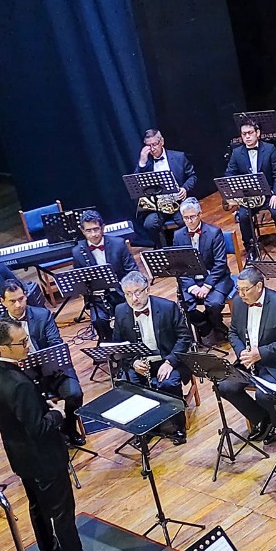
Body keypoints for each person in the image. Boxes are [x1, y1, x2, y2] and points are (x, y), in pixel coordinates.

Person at [0, 317, 113, 551]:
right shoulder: (18, 383)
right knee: (62, 511)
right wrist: (58, 413)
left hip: (20, 456)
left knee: (38, 508)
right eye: (22, 342)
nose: (28, 346)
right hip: (44, 457)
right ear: (4, 349)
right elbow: (39, 428)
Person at [0, 279, 86, 446]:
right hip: (22, 377)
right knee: (32, 404)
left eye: (21, 298)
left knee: (75, 393)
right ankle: (47, 437)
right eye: (12, 301)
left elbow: (56, 344)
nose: (18, 305)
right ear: (3, 302)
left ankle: (69, 428)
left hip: (52, 370)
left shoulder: (42, 314)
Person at [221, 266, 276, 445]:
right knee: (224, 386)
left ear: (259, 287)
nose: (240, 294)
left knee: (264, 394)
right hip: (249, 359)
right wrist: (241, 351)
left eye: (245, 289)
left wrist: (260, 353)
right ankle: (262, 418)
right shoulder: (239, 303)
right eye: (238, 289)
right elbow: (233, 332)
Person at [112, 270, 191, 444]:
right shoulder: (120, 311)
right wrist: (133, 363)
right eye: (129, 294)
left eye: (138, 292)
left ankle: (179, 428)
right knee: (129, 385)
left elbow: (185, 337)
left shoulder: (167, 307)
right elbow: (119, 346)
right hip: (141, 363)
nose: (134, 298)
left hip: (168, 360)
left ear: (147, 289)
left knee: (168, 383)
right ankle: (146, 428)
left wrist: (170, 362)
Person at [170, 198, 232, 344]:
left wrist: (206, 286)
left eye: (193, 216)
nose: (190, 221)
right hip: (191, 280)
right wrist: (191, 286)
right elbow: (179, 267)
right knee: (185, 308)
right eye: (186, 218)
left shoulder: (214, 232)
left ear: (200, 214)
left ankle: (218, 326)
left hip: (216, 279)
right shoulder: (178, 236)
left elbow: (220, 264)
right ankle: (207, 327)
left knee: (214, 304)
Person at [71, 209, 137, 341]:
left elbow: (132, 271)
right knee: (99, 321)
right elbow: (80, 280)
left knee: (125, 317)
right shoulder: (77, 252)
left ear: (103, 227)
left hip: (120, 294)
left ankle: (130, 343)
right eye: (88, 231)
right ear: (82, 231)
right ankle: (111, 347)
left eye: (96, 229)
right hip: (98, 299)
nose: (94, 234)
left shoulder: (118, 244)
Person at [224, 117, 276, 251]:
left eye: (250, 133)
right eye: (244, 134)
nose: (247, 137)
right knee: (242, 216)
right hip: (249, 197)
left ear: (257, 133)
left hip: (270, 194)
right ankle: (251, 249)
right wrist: (235, 194)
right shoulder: (237, 153)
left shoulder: (270, 149)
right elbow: (229, 174)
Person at [132, 128, 197, 248]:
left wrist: (185, 188)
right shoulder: (145, 162)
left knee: (185, 221)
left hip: (177, 203)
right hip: (158, 207)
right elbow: (136, 183)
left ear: (162, 141)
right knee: (149, 224)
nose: (152, 149)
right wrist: (142, 162)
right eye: (148, 146)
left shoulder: (179, 157)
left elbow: (192, 176)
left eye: (155, 144)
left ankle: (188, 249)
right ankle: (163, 250)